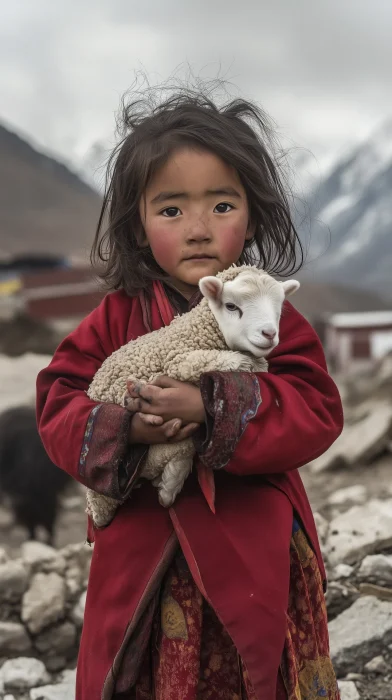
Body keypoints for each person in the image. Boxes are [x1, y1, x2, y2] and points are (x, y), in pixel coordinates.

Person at [36, 85, 343, 700]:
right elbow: (59, 403)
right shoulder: (116, 318)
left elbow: (316, 408)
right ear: (139, 222)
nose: (199, 229)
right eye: (171, 210)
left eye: (222, 205)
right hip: (142, 558)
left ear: (252, 214)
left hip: (253, 549)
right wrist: (131, 426)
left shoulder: (264, 314)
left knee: (261, 671)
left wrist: (212, 407)